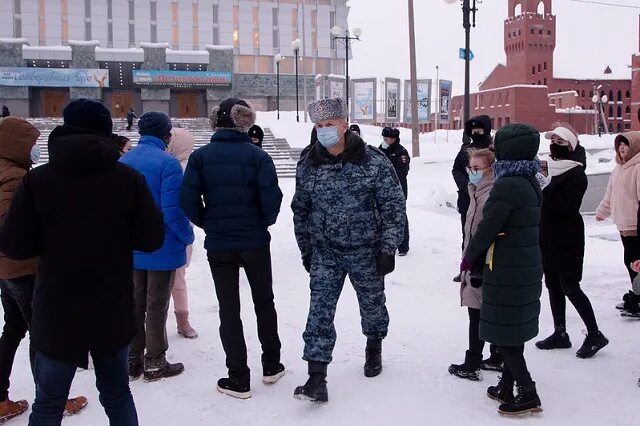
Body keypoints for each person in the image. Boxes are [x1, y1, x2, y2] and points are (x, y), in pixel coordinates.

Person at [0, 99, 165, 425]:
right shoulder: (128, 180)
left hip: (56, 311)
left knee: (48, 403)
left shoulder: (37, 181)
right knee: (117, 394)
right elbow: (151, 239)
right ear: (106, 132)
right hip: (112, 309)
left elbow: (14, 246)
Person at [291, 98, 406, 403]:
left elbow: (393, 206)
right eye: (319, 126)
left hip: (365, 251)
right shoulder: (309, 164)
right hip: (325, 251)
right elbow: (300, 209)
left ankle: (374, 345)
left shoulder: (372, 161)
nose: (324, 130)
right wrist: (306, 249)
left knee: (372, 305)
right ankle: (317, 378)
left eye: (329, 125)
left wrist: (387, 247)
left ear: (343, 124)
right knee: (319, 312)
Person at [181, 98, 284, 399]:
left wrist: (209, 223)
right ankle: (272, 365)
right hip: (254, 241)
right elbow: (272, 200)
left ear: (215, 123)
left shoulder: (200, 158)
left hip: (220, 244)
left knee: (229, 310)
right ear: (245, 122)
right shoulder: (258, 157)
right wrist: (261, 222)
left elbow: (188, 200)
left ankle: (238, 377)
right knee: (264, 302)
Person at [0, 117, 89, 423]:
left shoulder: (8, 171)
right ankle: (53, 398)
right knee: (43, 336)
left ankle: (1, 397)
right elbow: (11, 228)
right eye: (32, 144)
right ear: (17, 144)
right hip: (22, 269)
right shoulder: (13, 178)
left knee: (13, 329)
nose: (35, 149)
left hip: (6, 270)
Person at [461, 123, 543, 416]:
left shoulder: (506, 185)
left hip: (506, 267)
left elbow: (486, 230)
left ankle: (528, 392)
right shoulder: (531, 179)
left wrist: (469, 258)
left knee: (503, 334)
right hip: (525, 265)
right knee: (512, 330)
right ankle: (505, 385)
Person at [120, 112, 194, 382]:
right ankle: (155, 361)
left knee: (135, 303)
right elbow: (173, 211)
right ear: (166, 135)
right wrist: (188, 236)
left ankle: (132, 359)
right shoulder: (168, 164)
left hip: (131, 247)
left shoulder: (124, 160)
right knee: (157, 304)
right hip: (163, 246)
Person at [536, 125, 608, 358]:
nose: (554, 143)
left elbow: (566, 206)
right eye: (552, 139)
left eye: (559, 140)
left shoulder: (576, 172)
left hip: (567, 237)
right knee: (553, 285)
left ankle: (595, 334)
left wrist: (541, 191)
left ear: (570, 146)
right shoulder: (546, 167)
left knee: (570, 287)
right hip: (546, 234)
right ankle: (560, 333)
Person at [449, 148, 503, 381]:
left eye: (477, 169)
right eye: (470, 168)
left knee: (477, 312)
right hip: (476, 258)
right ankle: (497, 355)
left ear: (491, 169)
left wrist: (476, 262)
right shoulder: (476, 190)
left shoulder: (491, 192)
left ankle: (472, 363)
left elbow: (488, 232)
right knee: (485, 310)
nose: (472, 173)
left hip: (483, 262)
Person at [596, 132, 640, 312]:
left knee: (635, 263)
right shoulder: (618, 169)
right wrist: (602, 211)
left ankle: (638, 298)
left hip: (635, 226)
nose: (622, 148)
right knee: (631, 262)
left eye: (626, 144)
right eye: (619, 145)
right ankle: (637, 293)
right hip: (622, 224)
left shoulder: (638, 167)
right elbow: (610, 195)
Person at [452, 115, 493, 282]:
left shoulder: (494, 149)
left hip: (489, 198)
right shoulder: (465, 151)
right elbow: (456, 170)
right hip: (468, 200)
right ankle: (466, 267)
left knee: (487, 234)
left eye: (480, 130)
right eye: (473, 130)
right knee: (467, 233)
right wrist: (466, 186)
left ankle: (485, 268)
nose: (476, 133)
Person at [166, 127, 198, 339]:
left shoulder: (180, 168)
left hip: (175, 230)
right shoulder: (180, 166)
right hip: (181, 230)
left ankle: (180, 321)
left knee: (170, 280)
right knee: (178, 278)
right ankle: (183, 322)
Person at [380, 127, 411, 255]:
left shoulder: (401, 152)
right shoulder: (380, 150)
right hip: (382, 190)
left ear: (394, 139)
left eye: (387, 139)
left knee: (400, 216)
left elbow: (402, 172)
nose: (385, 141)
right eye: (384, 139)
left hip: (398, 189)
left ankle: (403, 246)